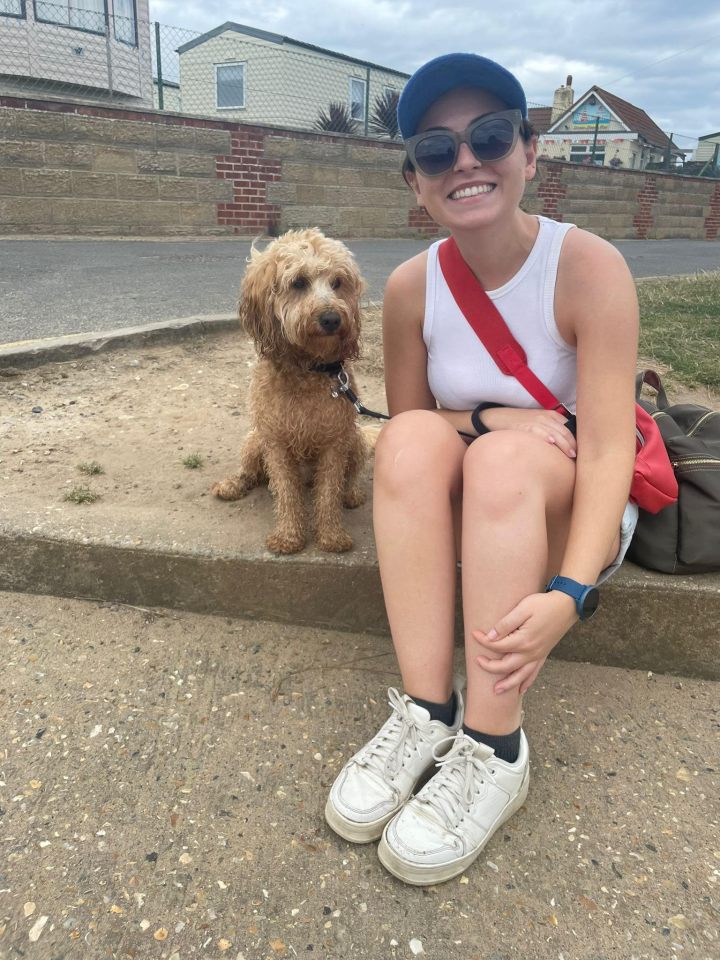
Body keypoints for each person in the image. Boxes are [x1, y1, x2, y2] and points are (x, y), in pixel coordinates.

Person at [325, 52, 640, 886]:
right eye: (436, 150)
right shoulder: (408, 288)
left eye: (489, 136)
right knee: (410, 443)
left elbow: (610, 449)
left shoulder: (588, 267)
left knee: (501, 462)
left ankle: (496, 745)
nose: (465, 161)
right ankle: (428, 711)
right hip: (476, 489)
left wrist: (570, 593)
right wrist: (499, 414)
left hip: (565, 505)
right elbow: (414, 428)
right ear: (416, 181)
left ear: (530, 153)